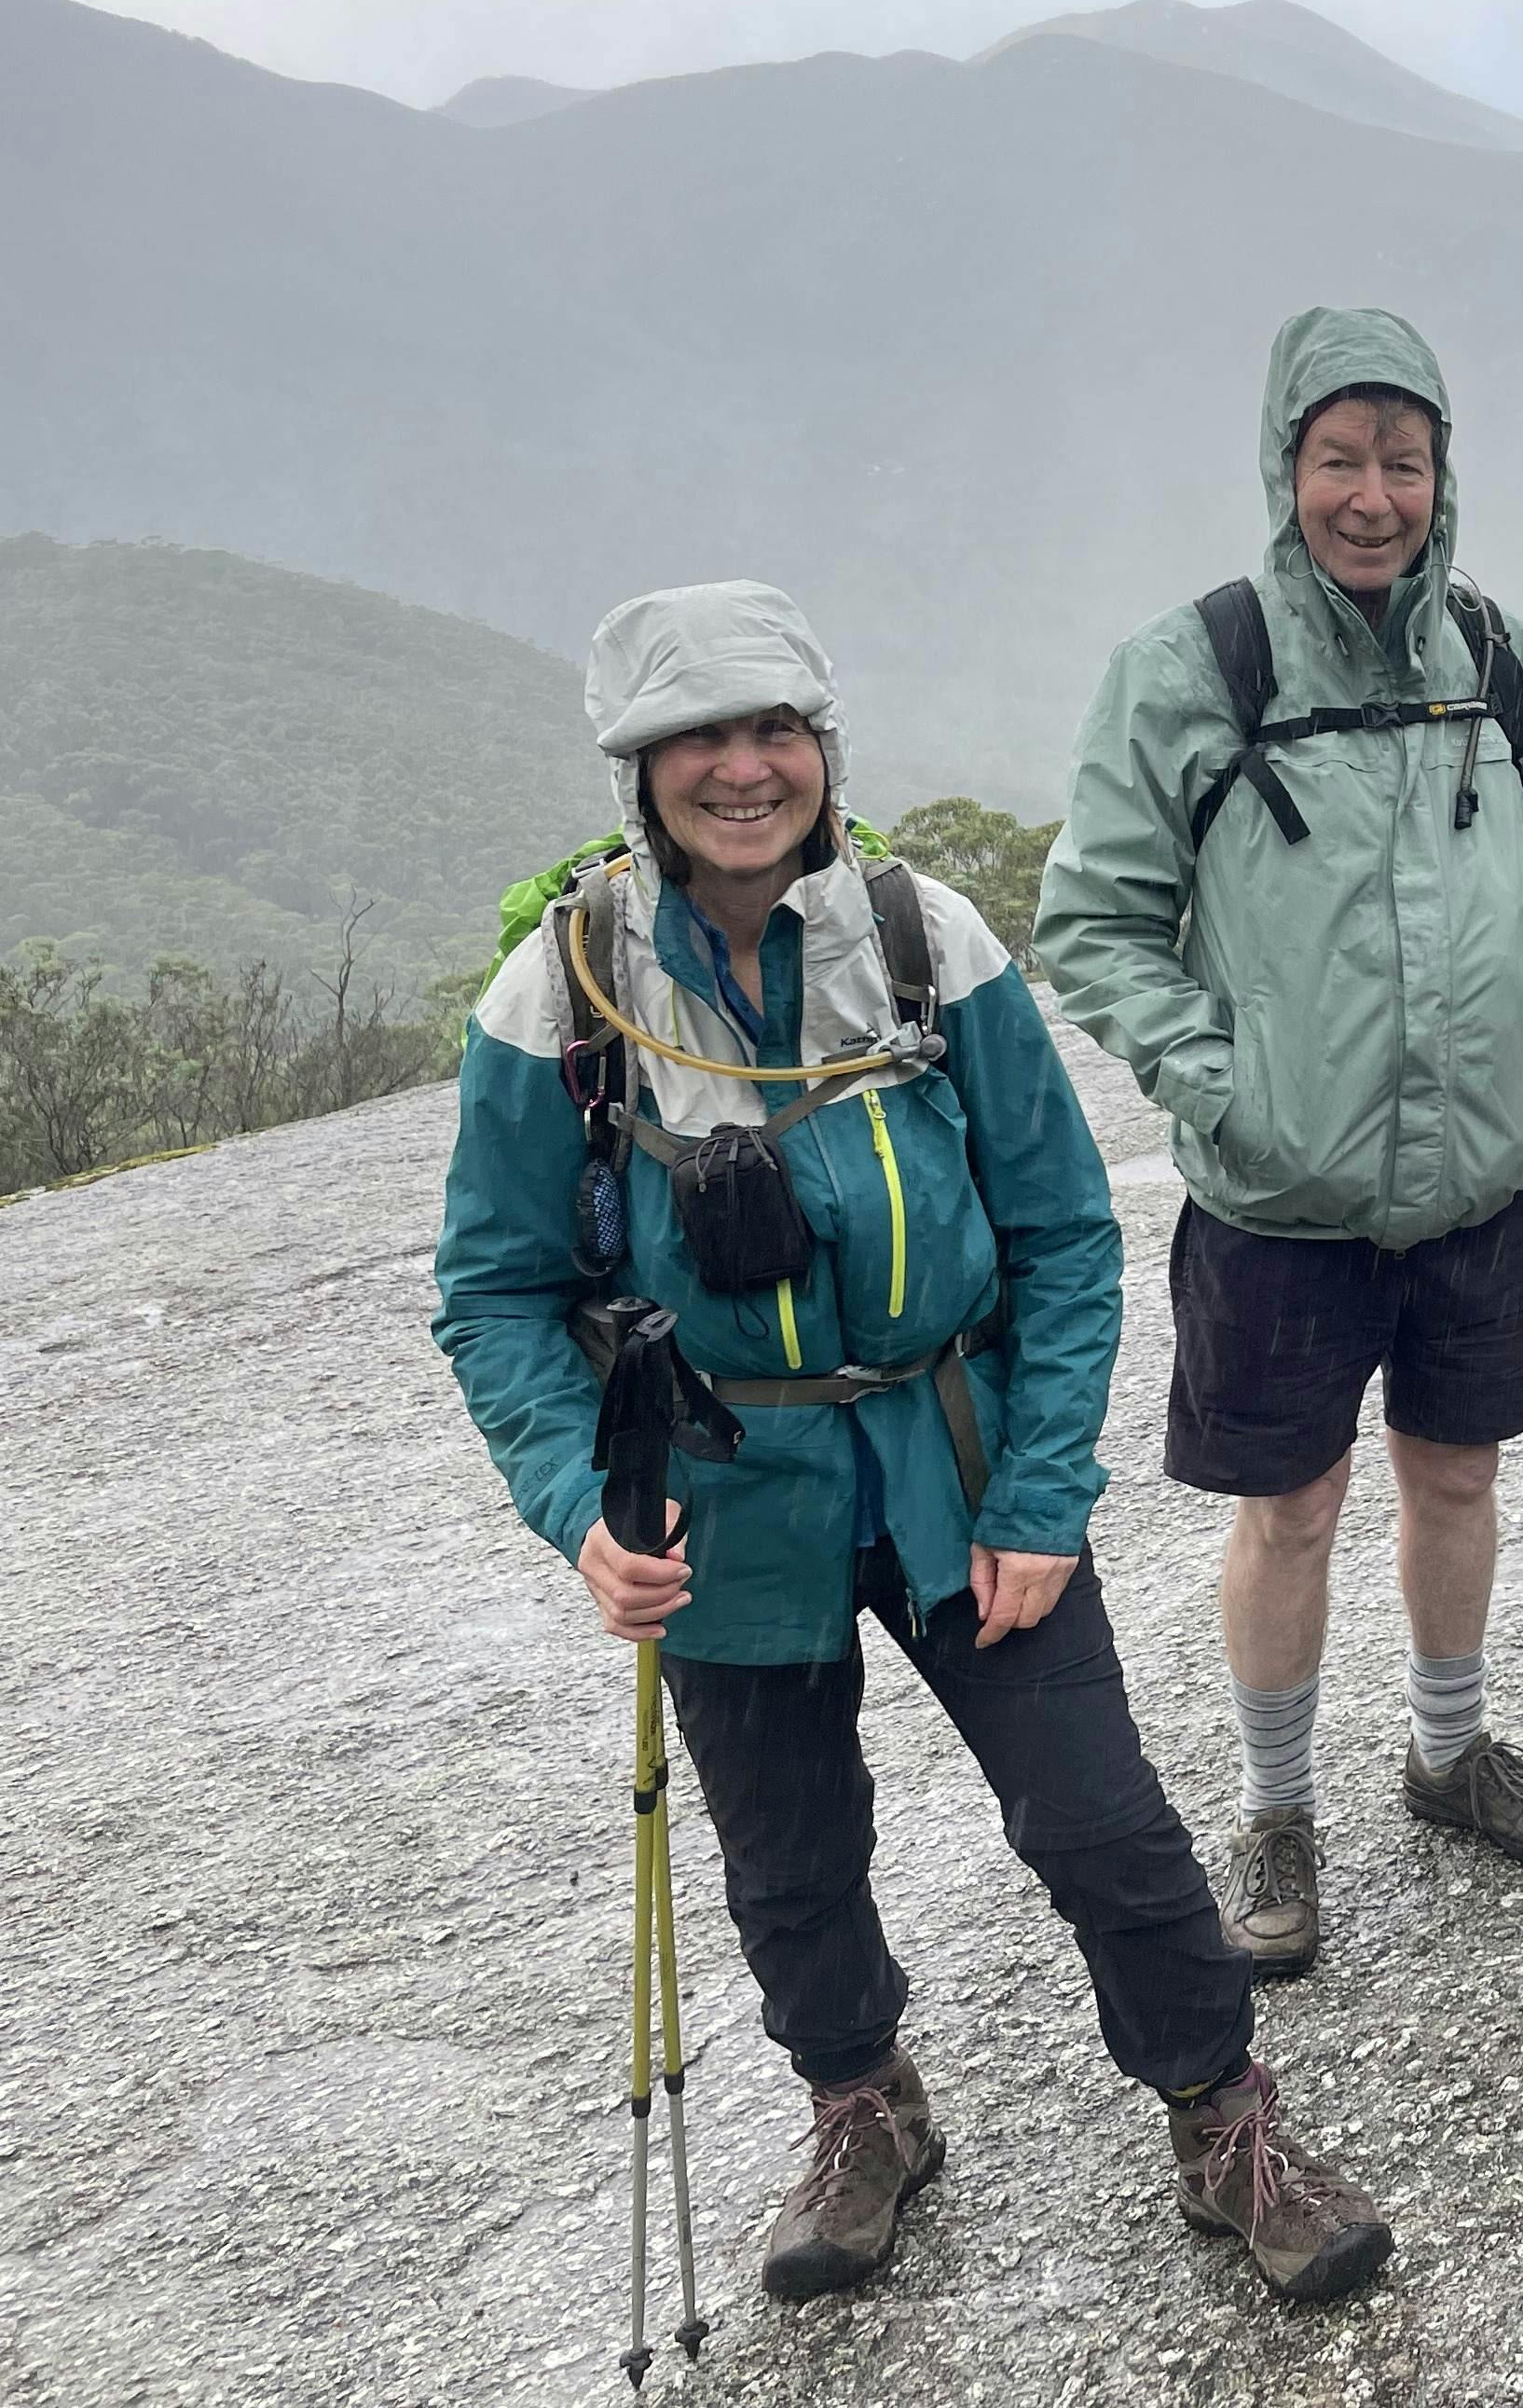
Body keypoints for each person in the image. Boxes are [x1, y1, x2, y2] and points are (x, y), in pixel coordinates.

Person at [434, 581, 1388, 2311]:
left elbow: (1064, 1231)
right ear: (639, 770)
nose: (745, 770)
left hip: (957, 1469)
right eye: (701, 740)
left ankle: (1223, 2116)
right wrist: (581, 1509)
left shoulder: (924, 936)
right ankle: (863, 2107)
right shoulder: (564, 992)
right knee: (789, 1859)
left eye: (774, 732)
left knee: (1101, 1824)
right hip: (717, 1504)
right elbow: (498, 1292)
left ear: (821, 748)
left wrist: (1041, 1493)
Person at [1036, 307, 1523, 1984]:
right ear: (1285, 464)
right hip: (1278, 1195)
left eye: (1405, 461)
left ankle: (1447, 1757)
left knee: (1458, 1471)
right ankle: (1276, 1811)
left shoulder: (1498, 662)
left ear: (1446, 473)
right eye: (1339, 458)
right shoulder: (1197, 667)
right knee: (1290, 1511)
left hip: (1475, 1180)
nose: (1372, 495)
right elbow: (1094, 922)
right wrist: (1219, 1080)